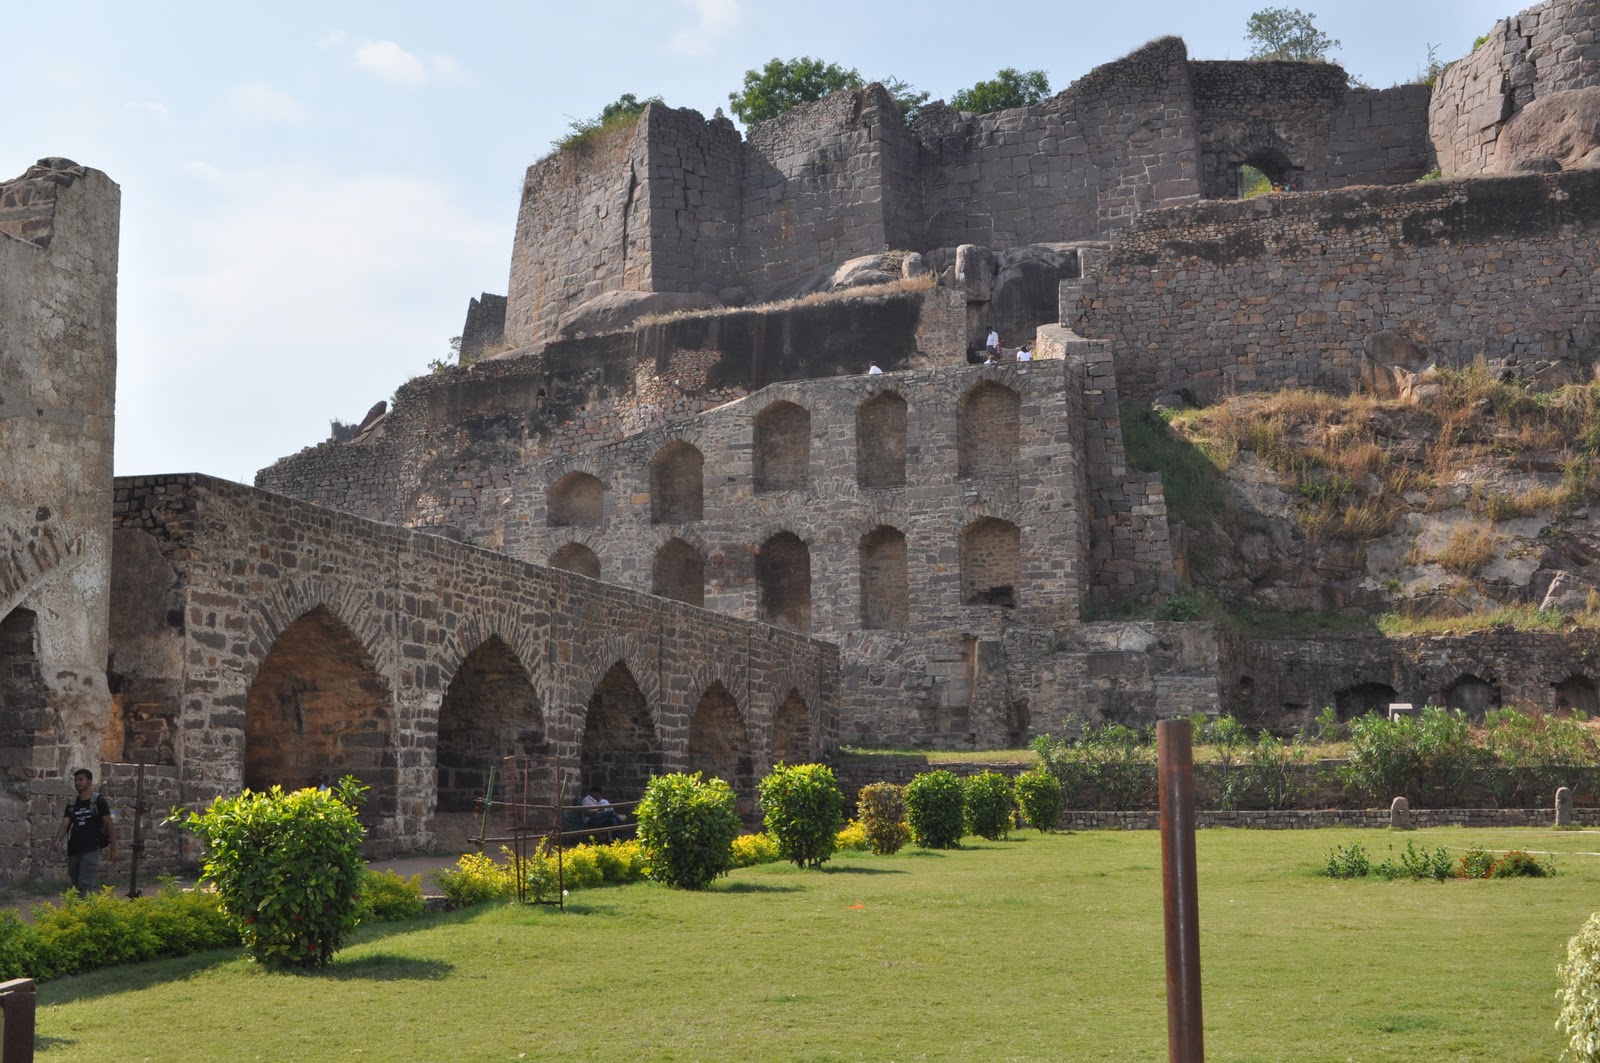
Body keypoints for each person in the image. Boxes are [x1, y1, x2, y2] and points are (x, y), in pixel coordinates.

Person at [55, 768, 117, 897]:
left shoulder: (98, 801)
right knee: (75, 881)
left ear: (89, 782)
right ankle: (80, 909)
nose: (77, 782)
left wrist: (114, 850)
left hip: (91, 848)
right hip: (74, 848)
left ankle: (83, 911)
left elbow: (109, 825)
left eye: (81, 779)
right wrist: (58, 839)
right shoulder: (72, 804)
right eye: (76, 780)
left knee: (85, 883)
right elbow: (65, 824)